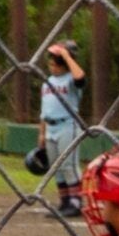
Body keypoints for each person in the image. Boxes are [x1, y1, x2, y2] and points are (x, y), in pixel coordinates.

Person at [36, 44, 88, 215]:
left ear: (64, 65)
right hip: (50, 127)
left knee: (68, 164)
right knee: (55, 166)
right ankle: (65, 202)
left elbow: (81, 78)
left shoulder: (71, 79)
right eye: (50, 64)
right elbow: (44, 110)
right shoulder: (48, 82)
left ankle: (76, 202)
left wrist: (66, 56)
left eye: (55, 64)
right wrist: (42, 133)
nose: (52, 67)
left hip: (67, 125)